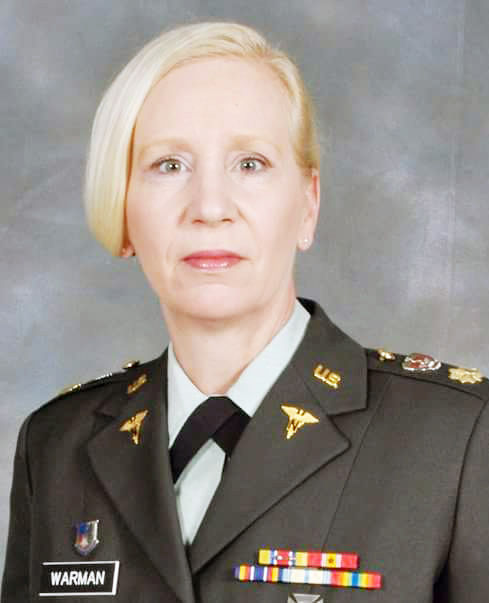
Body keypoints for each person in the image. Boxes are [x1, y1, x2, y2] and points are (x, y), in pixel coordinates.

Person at [2, 20, 489, 603]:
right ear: (123, 207)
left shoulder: (458, 438)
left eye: (251, 163)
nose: (209, 207)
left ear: (307, 204)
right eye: (169, 165)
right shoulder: (57, 447)